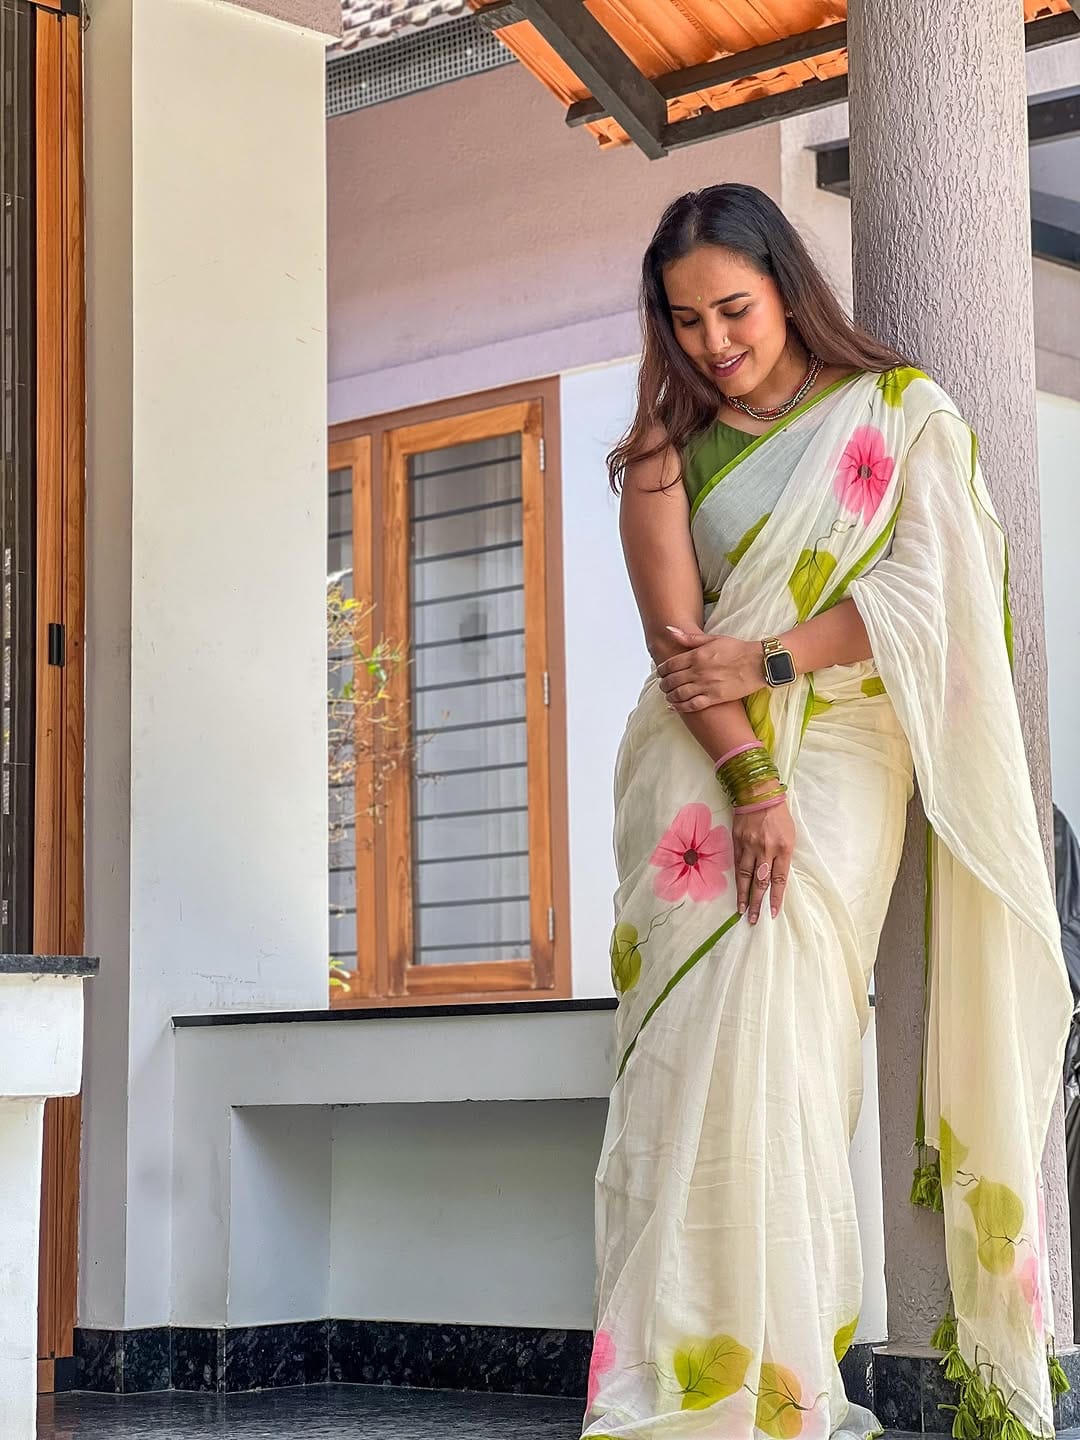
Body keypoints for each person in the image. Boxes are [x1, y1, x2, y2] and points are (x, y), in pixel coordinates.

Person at [584, 184, 1073, 1440]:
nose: (713, 343)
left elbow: (936, 598)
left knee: (795, 1058)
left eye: (733, 310)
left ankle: (787, 1383)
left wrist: (779, 661)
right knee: (685, 1064)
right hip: (700, 782)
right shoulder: (656, 454)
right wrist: (750, 782)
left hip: (850, 748)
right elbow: (681, 649)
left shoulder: (897, 417)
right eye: (685, 321)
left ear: (786, 289)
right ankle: (679, 1376)